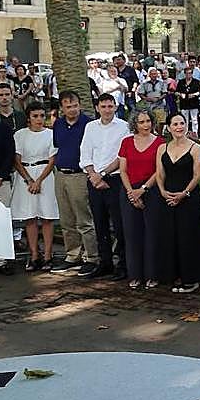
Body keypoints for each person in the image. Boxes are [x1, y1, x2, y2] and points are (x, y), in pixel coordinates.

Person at [152, 112, 200, 294]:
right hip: (167, 199)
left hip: (189, 199)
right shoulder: (162, 148)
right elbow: (159, 173)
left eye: (182, 123)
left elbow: (197, 175)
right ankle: (172, 275)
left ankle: (191, 278)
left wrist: (183, 194)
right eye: (175, 124)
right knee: (169, 237)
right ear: (169, 127)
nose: (179, 127)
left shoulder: (195, 147)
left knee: (188, 238)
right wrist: (162, 191)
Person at [80, 93, 130, 280]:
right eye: (104, 106)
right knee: (99, 224)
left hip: (115, 180)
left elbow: (122, 156)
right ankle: (105, 263)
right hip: (93, 181)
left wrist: (102, 175)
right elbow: (85, 153)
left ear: (115, 107)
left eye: (110, 106)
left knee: (119, 225)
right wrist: (93, 175)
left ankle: (124, 264)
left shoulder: (124, 127)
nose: (107, 110)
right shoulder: (90, 127)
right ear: (97, 108)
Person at [51, 91, 97, 276]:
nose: (72, 109)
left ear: (80, 105)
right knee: (66, 219)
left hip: (79, 175)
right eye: (68, 106)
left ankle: (91, 256)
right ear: (62, 108)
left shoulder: (88, 125)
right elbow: (57, 146)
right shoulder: (59, 124)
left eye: (75, 105)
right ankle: (72, 255)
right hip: (61, 174)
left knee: (84, 219)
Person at [116, 109, 162, 290]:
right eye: (141, 122)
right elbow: (123, 170)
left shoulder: (160, 143)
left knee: (152, 234)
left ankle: (152, 275)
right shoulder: (126, 142)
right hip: (129, 190)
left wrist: (142, 190)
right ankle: (135, 275)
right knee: (132, 234)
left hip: (151, 190)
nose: (145, 125)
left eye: (148, 121)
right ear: (134, 124)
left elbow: (159, 170)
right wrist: (131, 193)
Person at [11, 102, 57, 271]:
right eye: (35, 116)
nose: (39, 119)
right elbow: (16, 159)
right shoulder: (20, 135)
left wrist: (39, 181)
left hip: (45, 176)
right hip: (25, 175)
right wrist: (29, 180)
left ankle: (48, 255)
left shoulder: (51, 134)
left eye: (42, 116)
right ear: (28, 118)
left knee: (47, 216)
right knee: (30, 217)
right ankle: (34, 255)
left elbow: (52, 160)